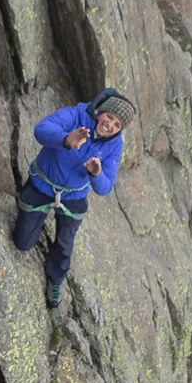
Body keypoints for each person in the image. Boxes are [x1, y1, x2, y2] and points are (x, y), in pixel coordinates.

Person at [13, 89, 133, 309]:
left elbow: (106, 187)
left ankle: (55, 278)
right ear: (102, 111)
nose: (110, 125)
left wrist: (96, 173)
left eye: (117, 125)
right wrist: (66, 139)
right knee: (22, 243)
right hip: (43, 183)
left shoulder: (114, 144)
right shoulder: (76, 115)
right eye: (110, 117)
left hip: (74, 195)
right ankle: (33, 221)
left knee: (65, 243)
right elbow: (41, 129)